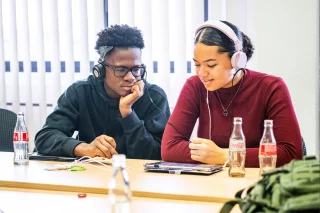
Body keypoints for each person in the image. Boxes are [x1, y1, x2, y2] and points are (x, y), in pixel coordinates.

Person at [161, 20, 302, 167]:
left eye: (211, 65)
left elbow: (291, 153)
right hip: (208, 185)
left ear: (237, 61)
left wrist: (225, 156)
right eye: (197, 64)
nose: (201, 73)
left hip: (255, 184)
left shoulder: (271, 87)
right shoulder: (195, 86)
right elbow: (169, 149)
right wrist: (214, 156)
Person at [35, 24, 170, 160]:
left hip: (139, 179)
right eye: (121, 70)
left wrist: (127, 113)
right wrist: (84, 148)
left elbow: (157, 155)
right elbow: (45, 138)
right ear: (101, 70)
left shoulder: (155, 97)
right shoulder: (80, 92)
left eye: (136, 69)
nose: (130, 77)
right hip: (90, 176)